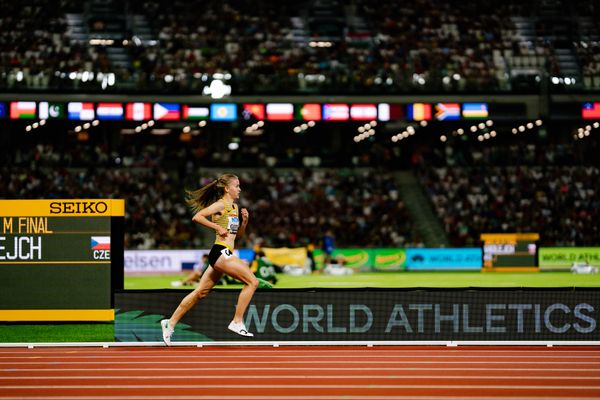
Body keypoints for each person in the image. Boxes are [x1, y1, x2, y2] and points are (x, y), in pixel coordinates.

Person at [161, 174, 259, 345]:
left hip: (225, 252)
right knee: (252, 282)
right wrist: (216, 227)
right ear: (227, 188)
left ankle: (169, 323)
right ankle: (237, 321)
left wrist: (244, 223)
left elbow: (236, 236)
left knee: (200, 292)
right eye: (237, 186)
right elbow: (197, 217)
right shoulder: (220, 204)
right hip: (220, 251)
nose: (240, 189)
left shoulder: (235, 208)